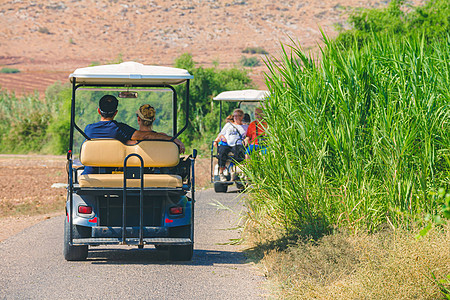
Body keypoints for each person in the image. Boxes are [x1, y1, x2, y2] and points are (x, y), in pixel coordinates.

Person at [82, 95, 185, 174]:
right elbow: (145, 136)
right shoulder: (119, 129)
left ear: (99, 111)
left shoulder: (88, 130)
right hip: (115, 175)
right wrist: (172, 139)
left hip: (91, 174)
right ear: (116, 113)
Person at [213, 108, 247, 181]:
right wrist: (222, 138)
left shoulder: (245, 127)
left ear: (242, 117)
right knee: (222, 150)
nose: (236, 117)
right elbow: (220, 134)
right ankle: (221, 173)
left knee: (239, 151)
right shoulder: (228, 125)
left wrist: (246, 139)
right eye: (235, 116)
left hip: (238, 144)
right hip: (227, 144)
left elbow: (248, 136)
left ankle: (236, 171)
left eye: (238, 116)